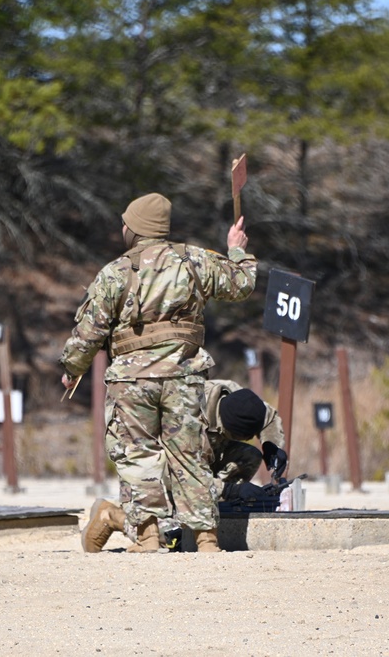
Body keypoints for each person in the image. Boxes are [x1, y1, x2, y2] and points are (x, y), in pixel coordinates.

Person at [60, 193, 256, 553]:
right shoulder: (195, 260)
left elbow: (89, 331)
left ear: (134, 229)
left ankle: (148, 536)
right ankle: (208, 540)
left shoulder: (116, 271)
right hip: (184, 376)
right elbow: (242, 284)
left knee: (137, 455)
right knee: (189, 455)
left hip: (131, 382)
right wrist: (237, 249)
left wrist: (73, 369)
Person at [81, 380, 287, 552]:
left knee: (249, 455)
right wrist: (233, 490)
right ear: (226, 427)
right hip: (163, 475)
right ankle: (111, 515)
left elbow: (269, 417)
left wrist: (271, 445)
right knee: (173, 534)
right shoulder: (186, 418)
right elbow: (179, 476)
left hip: (202, 461)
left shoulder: (237, 398)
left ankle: (214, 511)